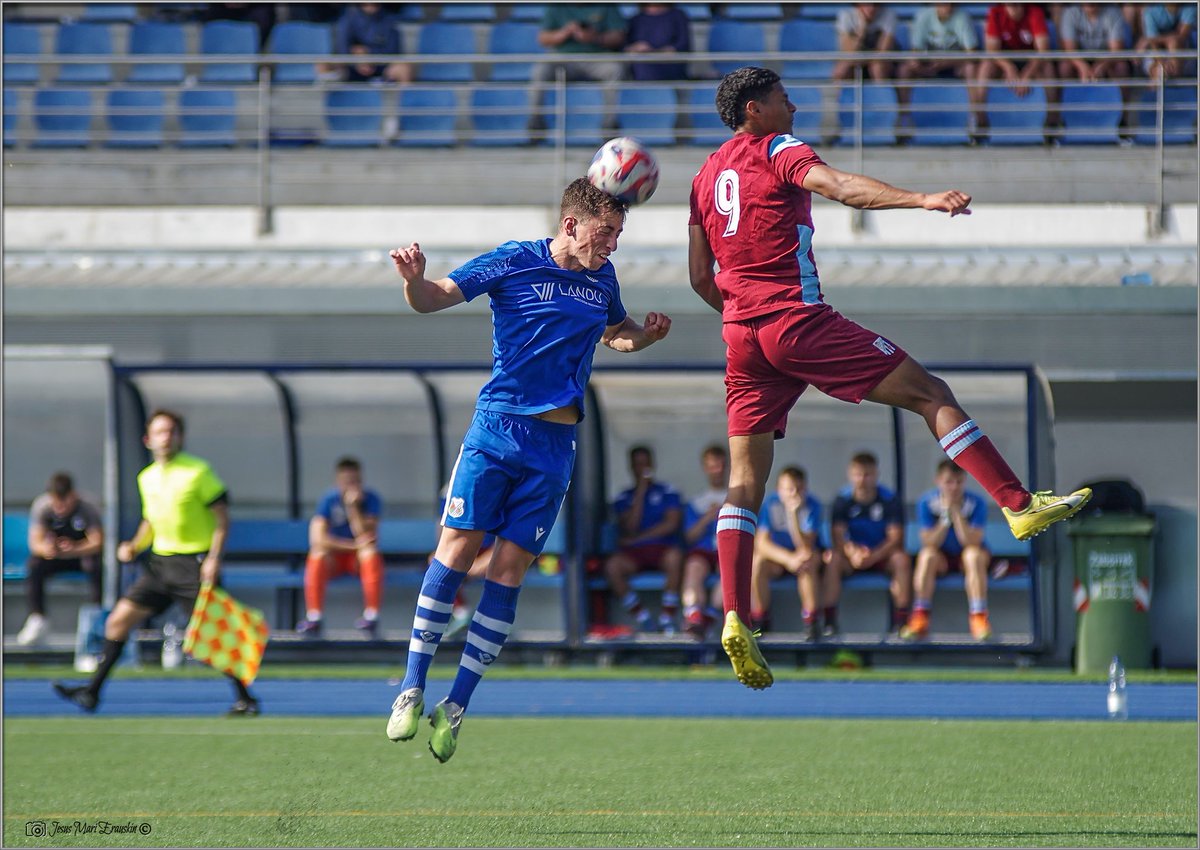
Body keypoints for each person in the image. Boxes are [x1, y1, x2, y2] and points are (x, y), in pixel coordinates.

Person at [687, 66, 1092, 690]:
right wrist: (923, 199)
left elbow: (698, 278)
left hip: (742, 338)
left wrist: (745, 317)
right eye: (781, 98)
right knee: (932, 395)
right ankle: (1017, 504)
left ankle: (736, 615)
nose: (793, 104)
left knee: (744, 483)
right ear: (753, 111)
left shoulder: (704, 176)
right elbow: (842, 186)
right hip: (796, 321)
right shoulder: (778, 149)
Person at [384, 178, 671, 762]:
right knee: (457, 548)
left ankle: (456, 705)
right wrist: (414, 282)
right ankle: (411, 686)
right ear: (572, 224)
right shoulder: (515, 259)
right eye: (606, 232)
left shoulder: (603, 280)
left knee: (510, 568)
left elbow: (617, 335)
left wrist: (644, 336)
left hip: (555, 444)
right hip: (497, 429)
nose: (613, 243)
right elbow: (437, 296)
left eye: (619, 233)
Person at [52, 410, 260, 716]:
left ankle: (246, 699)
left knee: (212, 635)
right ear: (148, 439)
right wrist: (134, 546)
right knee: (117, 621)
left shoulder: (198, 472)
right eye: (160, 432)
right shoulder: (146, 477)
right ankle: (91, 692)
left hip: (194, 563)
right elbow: (151, 519)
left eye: (172, 432)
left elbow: (222, 519)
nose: (167, 437)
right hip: (160, 565)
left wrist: (214, 559)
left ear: (180, 437)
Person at [902, 459, 993, 641]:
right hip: (941, 559)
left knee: (973, 555)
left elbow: (972, 541)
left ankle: (978, 616)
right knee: (927, 556)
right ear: (938, 481)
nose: (954, 487)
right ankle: (920, 616)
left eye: (959, 482)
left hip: (966, 559)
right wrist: (945, 517)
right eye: (949, 482)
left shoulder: (976, 503)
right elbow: (929, 542)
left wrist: (957, 514)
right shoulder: (927, 502)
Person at [296, 456, 386, 638]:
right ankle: (314, 617)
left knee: (370, 553)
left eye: (356, 481)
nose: (351, 486)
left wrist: (353, 508)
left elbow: (366, 537)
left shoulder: (371, 499)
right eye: (347, 482)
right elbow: (317, 539)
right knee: (317, 554)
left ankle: (372, 616)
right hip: (335, 559)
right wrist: (354, 546)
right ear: (338, 482)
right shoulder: (328, 500)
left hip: (356, 562)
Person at [824, 453, 911, 636]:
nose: (863, 480)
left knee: (901, 560)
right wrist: (853, 553)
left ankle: (901, 622)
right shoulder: (842, 500)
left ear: (876, 474)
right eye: (858, 475)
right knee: (833, 559)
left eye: (868, 475)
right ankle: (829, 622)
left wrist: (873, 556)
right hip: (852, 558)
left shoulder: (889, 500)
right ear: (850, 474)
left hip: (880, 556)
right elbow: (838, 537)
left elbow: (895, 538)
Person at [16, 472, 104, 647]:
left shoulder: (87, 507)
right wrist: (48, 549)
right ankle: (37, 618)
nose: (60, 509)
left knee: (96, 565)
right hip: (55, 558)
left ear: (73, 495)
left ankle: (97, 617)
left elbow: (97, 542)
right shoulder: (43, 506)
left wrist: (74, 548)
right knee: (34, 565)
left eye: (65, 503)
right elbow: (35, 543)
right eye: (57, 503)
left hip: (79, 557)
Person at [603, 445, 684, 633]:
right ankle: (643, 618)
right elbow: (630, 526)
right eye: (638, 465)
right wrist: (640, 492)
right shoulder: (624, 497)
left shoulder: (667, 491)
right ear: (631, 468)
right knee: (612, 567)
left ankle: (667, 617)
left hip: (661, 549)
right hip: (635, 554)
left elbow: (670, 524)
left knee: (675, 557)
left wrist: (638, 538)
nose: (642, 469)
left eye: (645, 464)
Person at [752, 466, 823, 641]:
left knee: (807, 562)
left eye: (798, 489)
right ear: (779, 489)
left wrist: (793, 515)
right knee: (757, 562)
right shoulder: (770, 504)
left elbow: (805, 546)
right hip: (781, 558)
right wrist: (788, 559)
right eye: (788, 489)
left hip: (803, 557)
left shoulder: (813, 505)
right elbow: (762, 543)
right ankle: (760, 619)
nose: (793, 494)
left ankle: (811, 621)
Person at [976, 3, 1058, 133]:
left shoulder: (1035, 11)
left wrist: (1027, 74)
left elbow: (1043, 51)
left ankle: (1053, 122)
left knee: (1048, 67)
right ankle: (980, 121)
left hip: (1030, 60)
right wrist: (1009, 68)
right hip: (1004, 61)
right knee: (985, 66)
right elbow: (992, 51)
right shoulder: (995, 12)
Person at [898, 4, 980, 124]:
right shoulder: (923, 16)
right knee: (904, 70)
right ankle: (904, 116)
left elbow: (972, 54)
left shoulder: (962, 17)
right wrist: (917, 64)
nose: (949, 6)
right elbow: (916, 50)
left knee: (971, 68)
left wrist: (946, 62)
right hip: (929, 64)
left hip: (955, 65)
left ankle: (975, 115)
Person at [680, 444, 728, 641]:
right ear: (705, 468)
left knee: (728, 572)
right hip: (703, 552)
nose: (716, 471)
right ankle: (694, 614)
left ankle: (711, 615)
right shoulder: (697, 502)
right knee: (693, 567)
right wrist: (708, 517)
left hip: (725, 551)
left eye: (720, 466)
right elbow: (689, 537)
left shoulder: (735, 498)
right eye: (712, 466)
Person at [328, 3, 413, 84]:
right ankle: (328, 93)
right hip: (352, 68)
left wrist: (369, 55)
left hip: (381, 68)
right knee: (324, 64)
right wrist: (357, 58)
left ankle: (407, 98)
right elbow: (342, 49)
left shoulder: (389, 20)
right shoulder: (348, 19)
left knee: (403, 68)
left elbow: (394, 51)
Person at [833, 3, 900, 83]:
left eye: (875, 4)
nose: (871, 8)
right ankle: (841, 95)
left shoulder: (889, 15)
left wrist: (863, 60)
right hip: (857, 60)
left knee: (877, 68)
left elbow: (883, 52)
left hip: (878, 62)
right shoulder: (846, 16)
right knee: (841, 70)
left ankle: (881, 94)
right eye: (866, 4)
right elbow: (848, 51)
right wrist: (862, 29)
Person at [624, 3, 692, 82]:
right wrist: (635, 47)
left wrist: (659, 52)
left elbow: (683, 44)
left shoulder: (678, 16)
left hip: (669, 62)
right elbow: (625, 46)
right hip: (641, 63)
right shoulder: (636, 19)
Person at [1137, 4, 1197, 79]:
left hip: (1183, 51)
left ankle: (1172, 78)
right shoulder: (1150, 11)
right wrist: (1162, 62)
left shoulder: (1190, 6)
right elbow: (1153, 44)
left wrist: (1150, 39)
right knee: (1158, 70)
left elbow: (1181, 37)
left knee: (1173, 43)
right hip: (1156, 52)